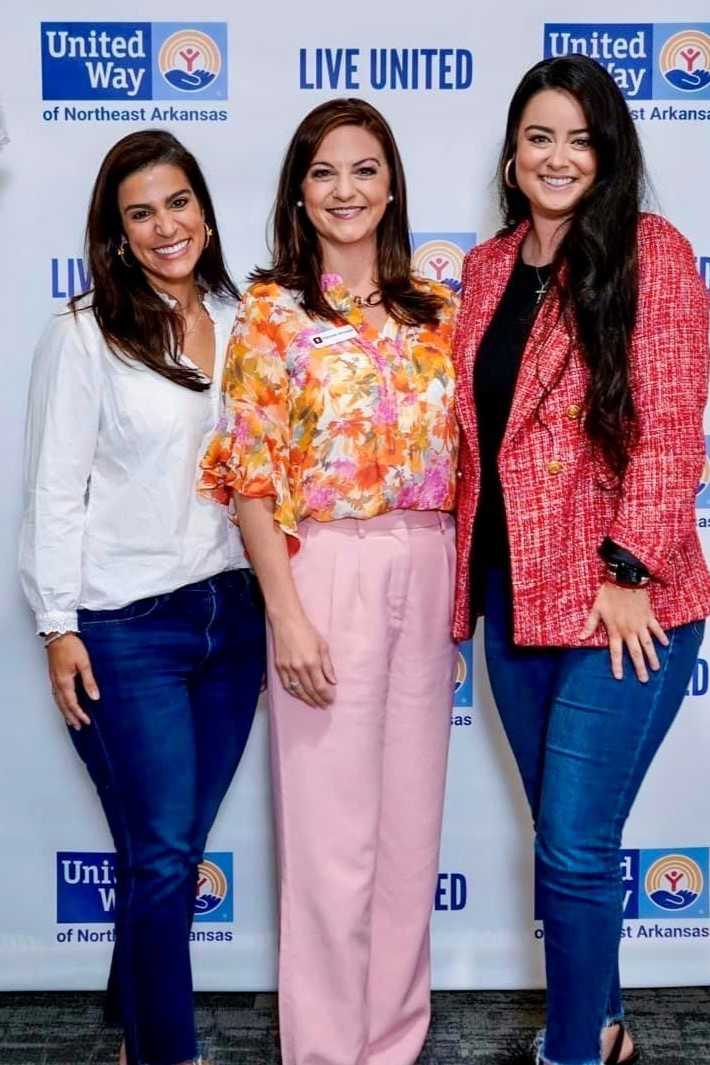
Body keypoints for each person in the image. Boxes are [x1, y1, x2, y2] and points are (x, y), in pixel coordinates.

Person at [453, 54, 710, 1065]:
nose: (557, 157)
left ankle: (567, 1050)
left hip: (621, 605)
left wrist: (629, 570)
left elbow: (671, 429)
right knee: (567, 839)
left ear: (608, 154)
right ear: (512, 153)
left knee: (571, 840)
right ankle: (601, 1027)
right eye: (538, 137)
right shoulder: (484, 269)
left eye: (579, 139)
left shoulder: (651, 251)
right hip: (512, 601)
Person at [199, 97, 459, 1065]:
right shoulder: (271, 313)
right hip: (324, 567)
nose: (345, 189)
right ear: (299, 194)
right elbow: (250, 475)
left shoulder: (437, 309)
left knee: (407, 835)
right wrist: (287, 614)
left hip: (427, 561)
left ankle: (391, 1044)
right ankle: (322, 1052)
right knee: (328, 838)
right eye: (323, 172)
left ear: (391, 186)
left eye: (363, 169)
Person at [19, 130, 266, 1065]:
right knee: (162, 852)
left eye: (178, 203)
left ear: (204, 209)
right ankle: (167, 1049)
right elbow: (53, 489)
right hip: (126, 626)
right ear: (116, 233)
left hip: (233, 617)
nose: (166, 226)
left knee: (170, 845)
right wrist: (57, 624)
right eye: (141, 213)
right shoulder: (84, 334)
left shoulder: (245, 321)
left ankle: (133, 1017)